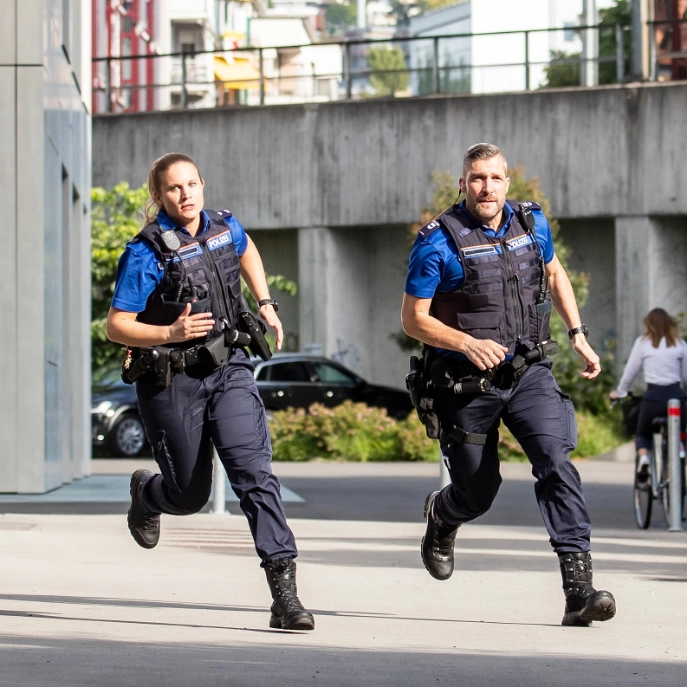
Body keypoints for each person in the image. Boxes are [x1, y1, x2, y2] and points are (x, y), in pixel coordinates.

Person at [401, 143, 616, 627]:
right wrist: (464, 341)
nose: (486, 187)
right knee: (478, 492)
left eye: (495, 178)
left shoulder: (531, 223)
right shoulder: (437, 241)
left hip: (527, 372)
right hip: (465, 384)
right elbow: (413, 320)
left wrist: (577, 334)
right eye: (477, 178)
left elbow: (554, 273)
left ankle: (577, 589)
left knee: (556, 460)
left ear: (507, 183)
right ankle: (443, 514)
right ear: (463, 184)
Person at [106, 152, 314, 631]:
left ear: (203, 185)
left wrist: (264, 302)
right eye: (175, 188)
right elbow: (118, 326)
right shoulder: (147, 251)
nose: (187, 195)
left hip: (230, 369)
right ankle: (148, 493)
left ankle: (285, 598)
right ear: (159, 196)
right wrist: (168, 335)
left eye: (193, 184)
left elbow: (246, 250)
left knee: (254, 474)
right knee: (189, 494)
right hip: (172, 380)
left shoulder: (223, 225)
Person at [610, 308, 687, 479]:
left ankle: (644, 458)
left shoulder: (643, 343)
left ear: (649, 325)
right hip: (676, 396)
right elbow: (685, 376)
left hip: (652, 399)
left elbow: (630, 373)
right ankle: (680, 447)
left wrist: (620, 393)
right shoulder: (680, 344)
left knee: (643, 432)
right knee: (681, 429)